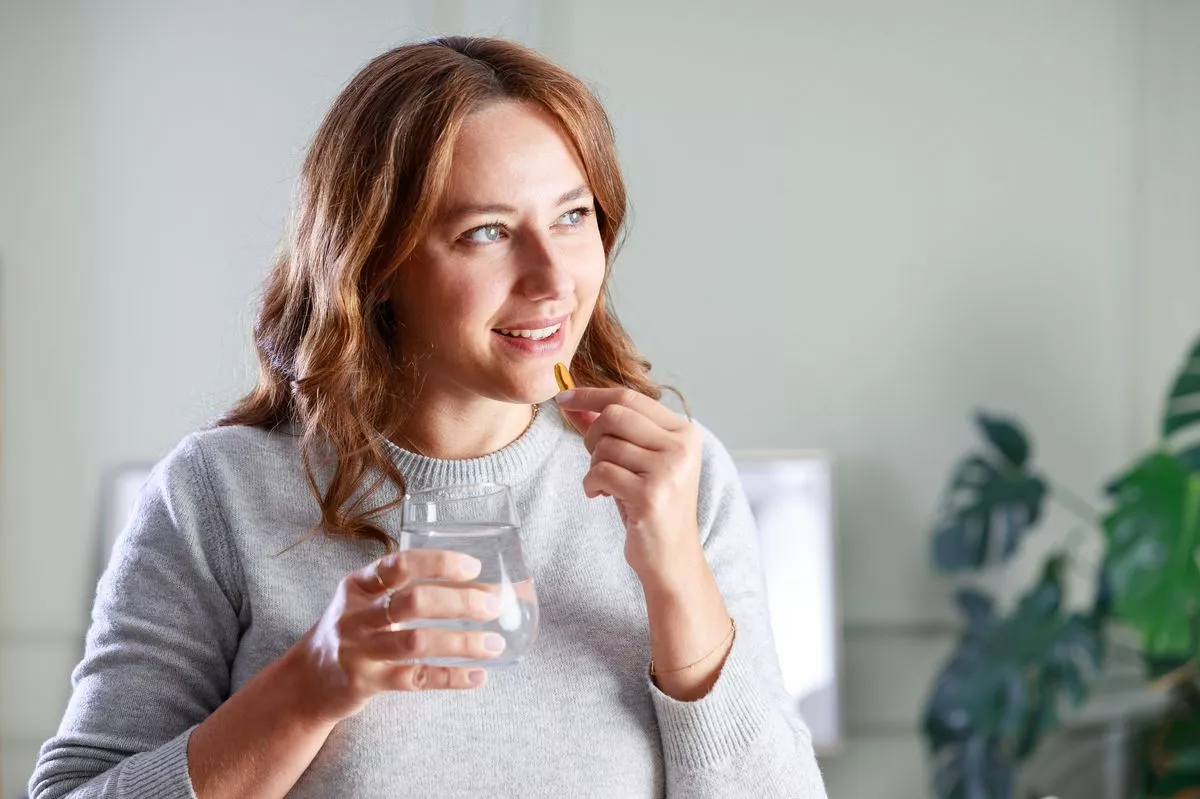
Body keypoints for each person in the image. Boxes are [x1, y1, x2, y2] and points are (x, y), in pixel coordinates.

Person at [29, 36, 828, 798]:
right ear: (376, 264)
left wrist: (679, 578)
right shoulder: (219, 493)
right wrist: (314, 681)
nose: (552, 278)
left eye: (573, 216)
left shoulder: (683, 479)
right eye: (487, 233)